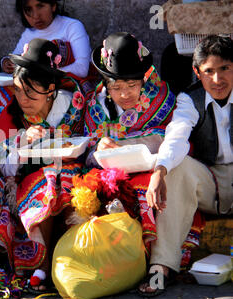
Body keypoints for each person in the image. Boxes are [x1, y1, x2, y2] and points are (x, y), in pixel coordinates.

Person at [80, 32, 205, 278]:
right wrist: (99, 150)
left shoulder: (162, 100)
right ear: (105, 84)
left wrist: (134, 143)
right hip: (111, 174)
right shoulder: (96, 107)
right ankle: (110, 262)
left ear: (144, 79)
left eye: (132, 86)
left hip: (153, 171)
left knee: (158, 187)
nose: (125, 94)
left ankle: (147, 259)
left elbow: (178, 142)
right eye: (116, 87)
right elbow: (87, 152)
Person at [0, 38, 86, 293]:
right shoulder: (12, 113)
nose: (23, 99)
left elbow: (87, 142)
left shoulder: (73, 107)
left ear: (50, 89)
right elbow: (2, 164)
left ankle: (65, 260)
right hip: (27, 182)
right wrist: (20, 142)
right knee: (47, 181)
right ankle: (42, 261)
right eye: (18, 90)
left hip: (71, 174)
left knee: (59, 179)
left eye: (30, 92)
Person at [137, 35, 232, 297]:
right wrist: (160, 171)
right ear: (197, 73)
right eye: (209, 71)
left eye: (225, 68)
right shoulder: (190, 100)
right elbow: (177, 135)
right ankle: (161, 267)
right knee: (176, 168)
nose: (217, 80)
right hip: (210, 180)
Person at [1, 0, 91, 79]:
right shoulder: (29, 33)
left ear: (53, 5)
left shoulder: (72, 27)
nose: (36, 16)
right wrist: (6, 62)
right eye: (28, 9)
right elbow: (15, 57)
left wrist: (42, 74)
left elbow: (82, 69)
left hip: (68, 89)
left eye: (40, 6)